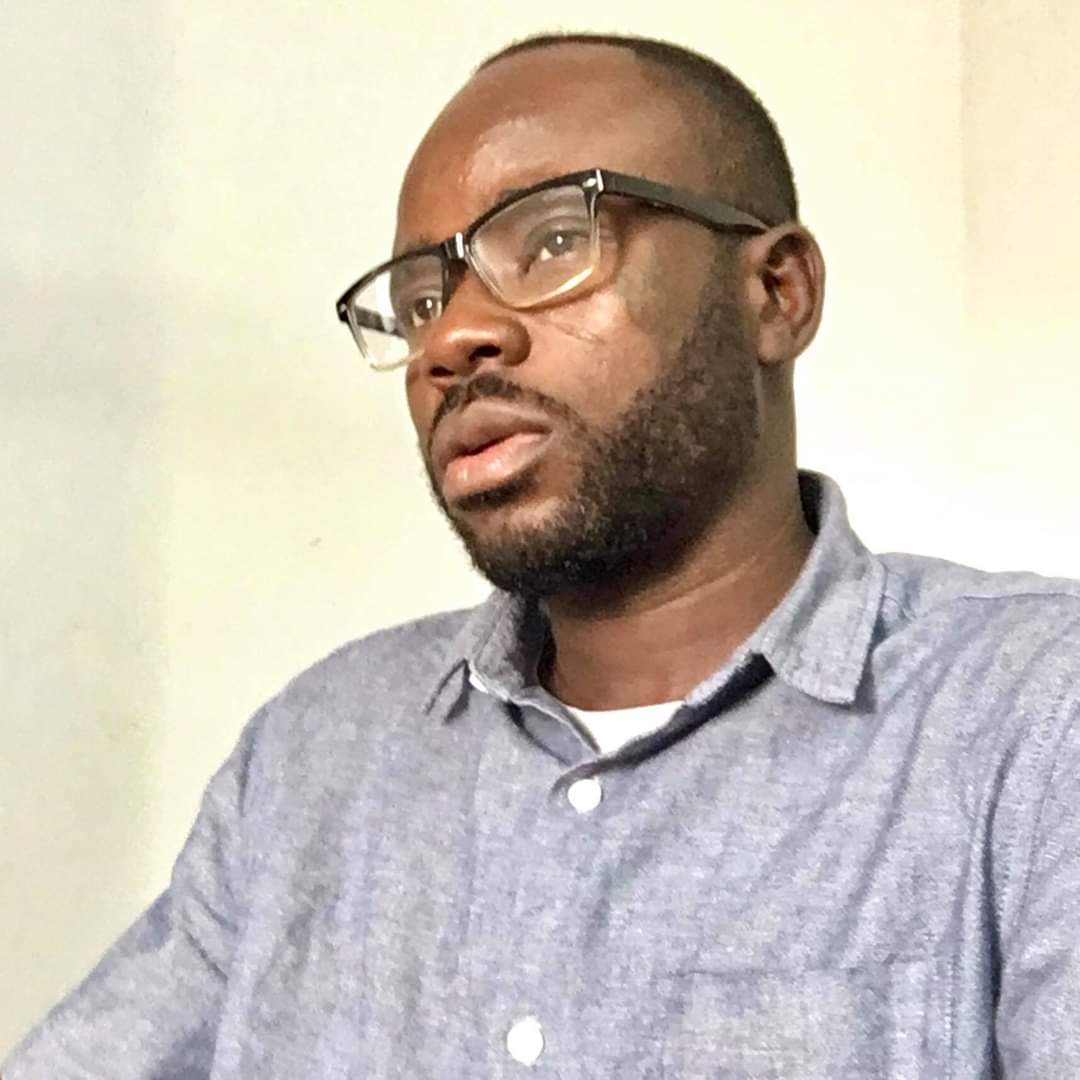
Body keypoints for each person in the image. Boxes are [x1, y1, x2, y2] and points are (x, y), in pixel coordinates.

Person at [5, 31, 1080, 1080]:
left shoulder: (1031, 721)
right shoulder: (311, 759)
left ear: (775, 293)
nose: (449, 339)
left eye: (556, 240)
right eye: (423, 300)